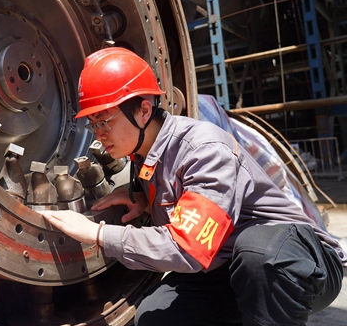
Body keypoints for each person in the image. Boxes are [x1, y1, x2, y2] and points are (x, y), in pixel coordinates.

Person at [41, 47, 345, 326]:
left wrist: (98, 234)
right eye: (93, 125)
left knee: (257, 252)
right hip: (227, 267)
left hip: (300, 266)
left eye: (105, 121)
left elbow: (186, 247)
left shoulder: (204, 150)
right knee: (154, 317)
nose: (99, 134)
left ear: (144, 110)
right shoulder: (143, 156)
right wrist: (143, 198)